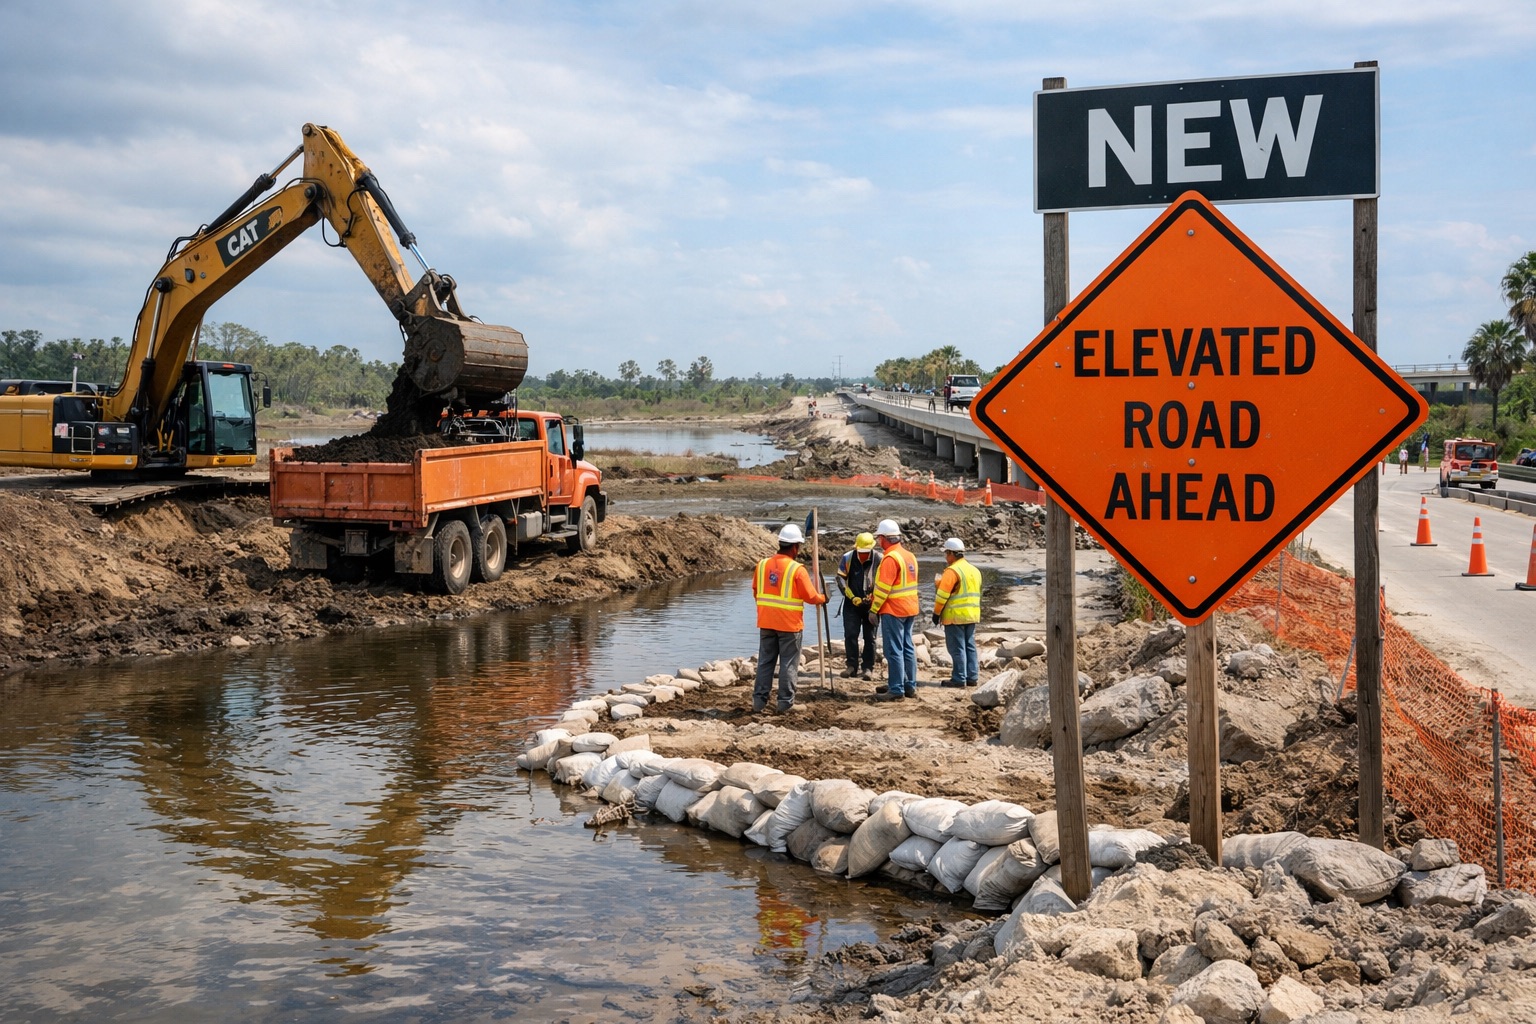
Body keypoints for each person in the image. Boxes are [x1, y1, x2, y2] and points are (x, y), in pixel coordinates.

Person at [751, 524, 828, 713]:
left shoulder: (762, 565)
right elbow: (810, 597)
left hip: (766, 622)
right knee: (788, 664)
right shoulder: (797, 569)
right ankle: (785, 703)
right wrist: (824, 598)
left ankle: (758, 702)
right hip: (789, 625)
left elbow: (756, 591)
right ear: (795, 547)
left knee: (765, 662)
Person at [868, 519, 920, 699]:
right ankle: (909, 685)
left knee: (894, 649)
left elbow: (883, 589)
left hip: (893, 609)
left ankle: (896, 689)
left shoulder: (890, 558)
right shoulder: (909, 556)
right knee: (907, 647)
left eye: (879, 538)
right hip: (910, 608)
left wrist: (874, 609)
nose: (878, 542)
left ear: (883, 538)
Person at [932, 538, 982, 688]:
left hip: (955, 616)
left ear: (951, 554)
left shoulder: (952, 571)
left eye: (946, 554)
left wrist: (936, 613)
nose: (946, 558)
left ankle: (959, 678)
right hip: (971, 614)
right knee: (970, 646)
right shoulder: (974, 570)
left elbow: (942, 595)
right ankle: (972, 677)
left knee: (957, 648)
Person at [835, 532, 881, 680]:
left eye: (865, 553)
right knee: (850, 634)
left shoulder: (879, 559)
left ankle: (868, 668)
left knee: (870, 637)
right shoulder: (848, 557)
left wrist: (874, 597)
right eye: (860, 552)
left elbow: (884, 581)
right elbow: (840, 578)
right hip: (852, 604)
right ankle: (851, 666)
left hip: (871, 605)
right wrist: (850, 596)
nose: (863, 555)